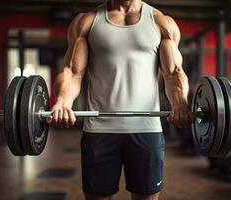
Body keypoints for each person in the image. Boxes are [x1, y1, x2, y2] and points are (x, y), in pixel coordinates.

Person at [46, 0, 194, 199]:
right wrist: (63, 102)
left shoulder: (161, 22)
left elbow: (173, 74)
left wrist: (180, 104)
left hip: (146, 130)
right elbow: (72, 72)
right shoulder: (87, 21)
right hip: (99, 131)